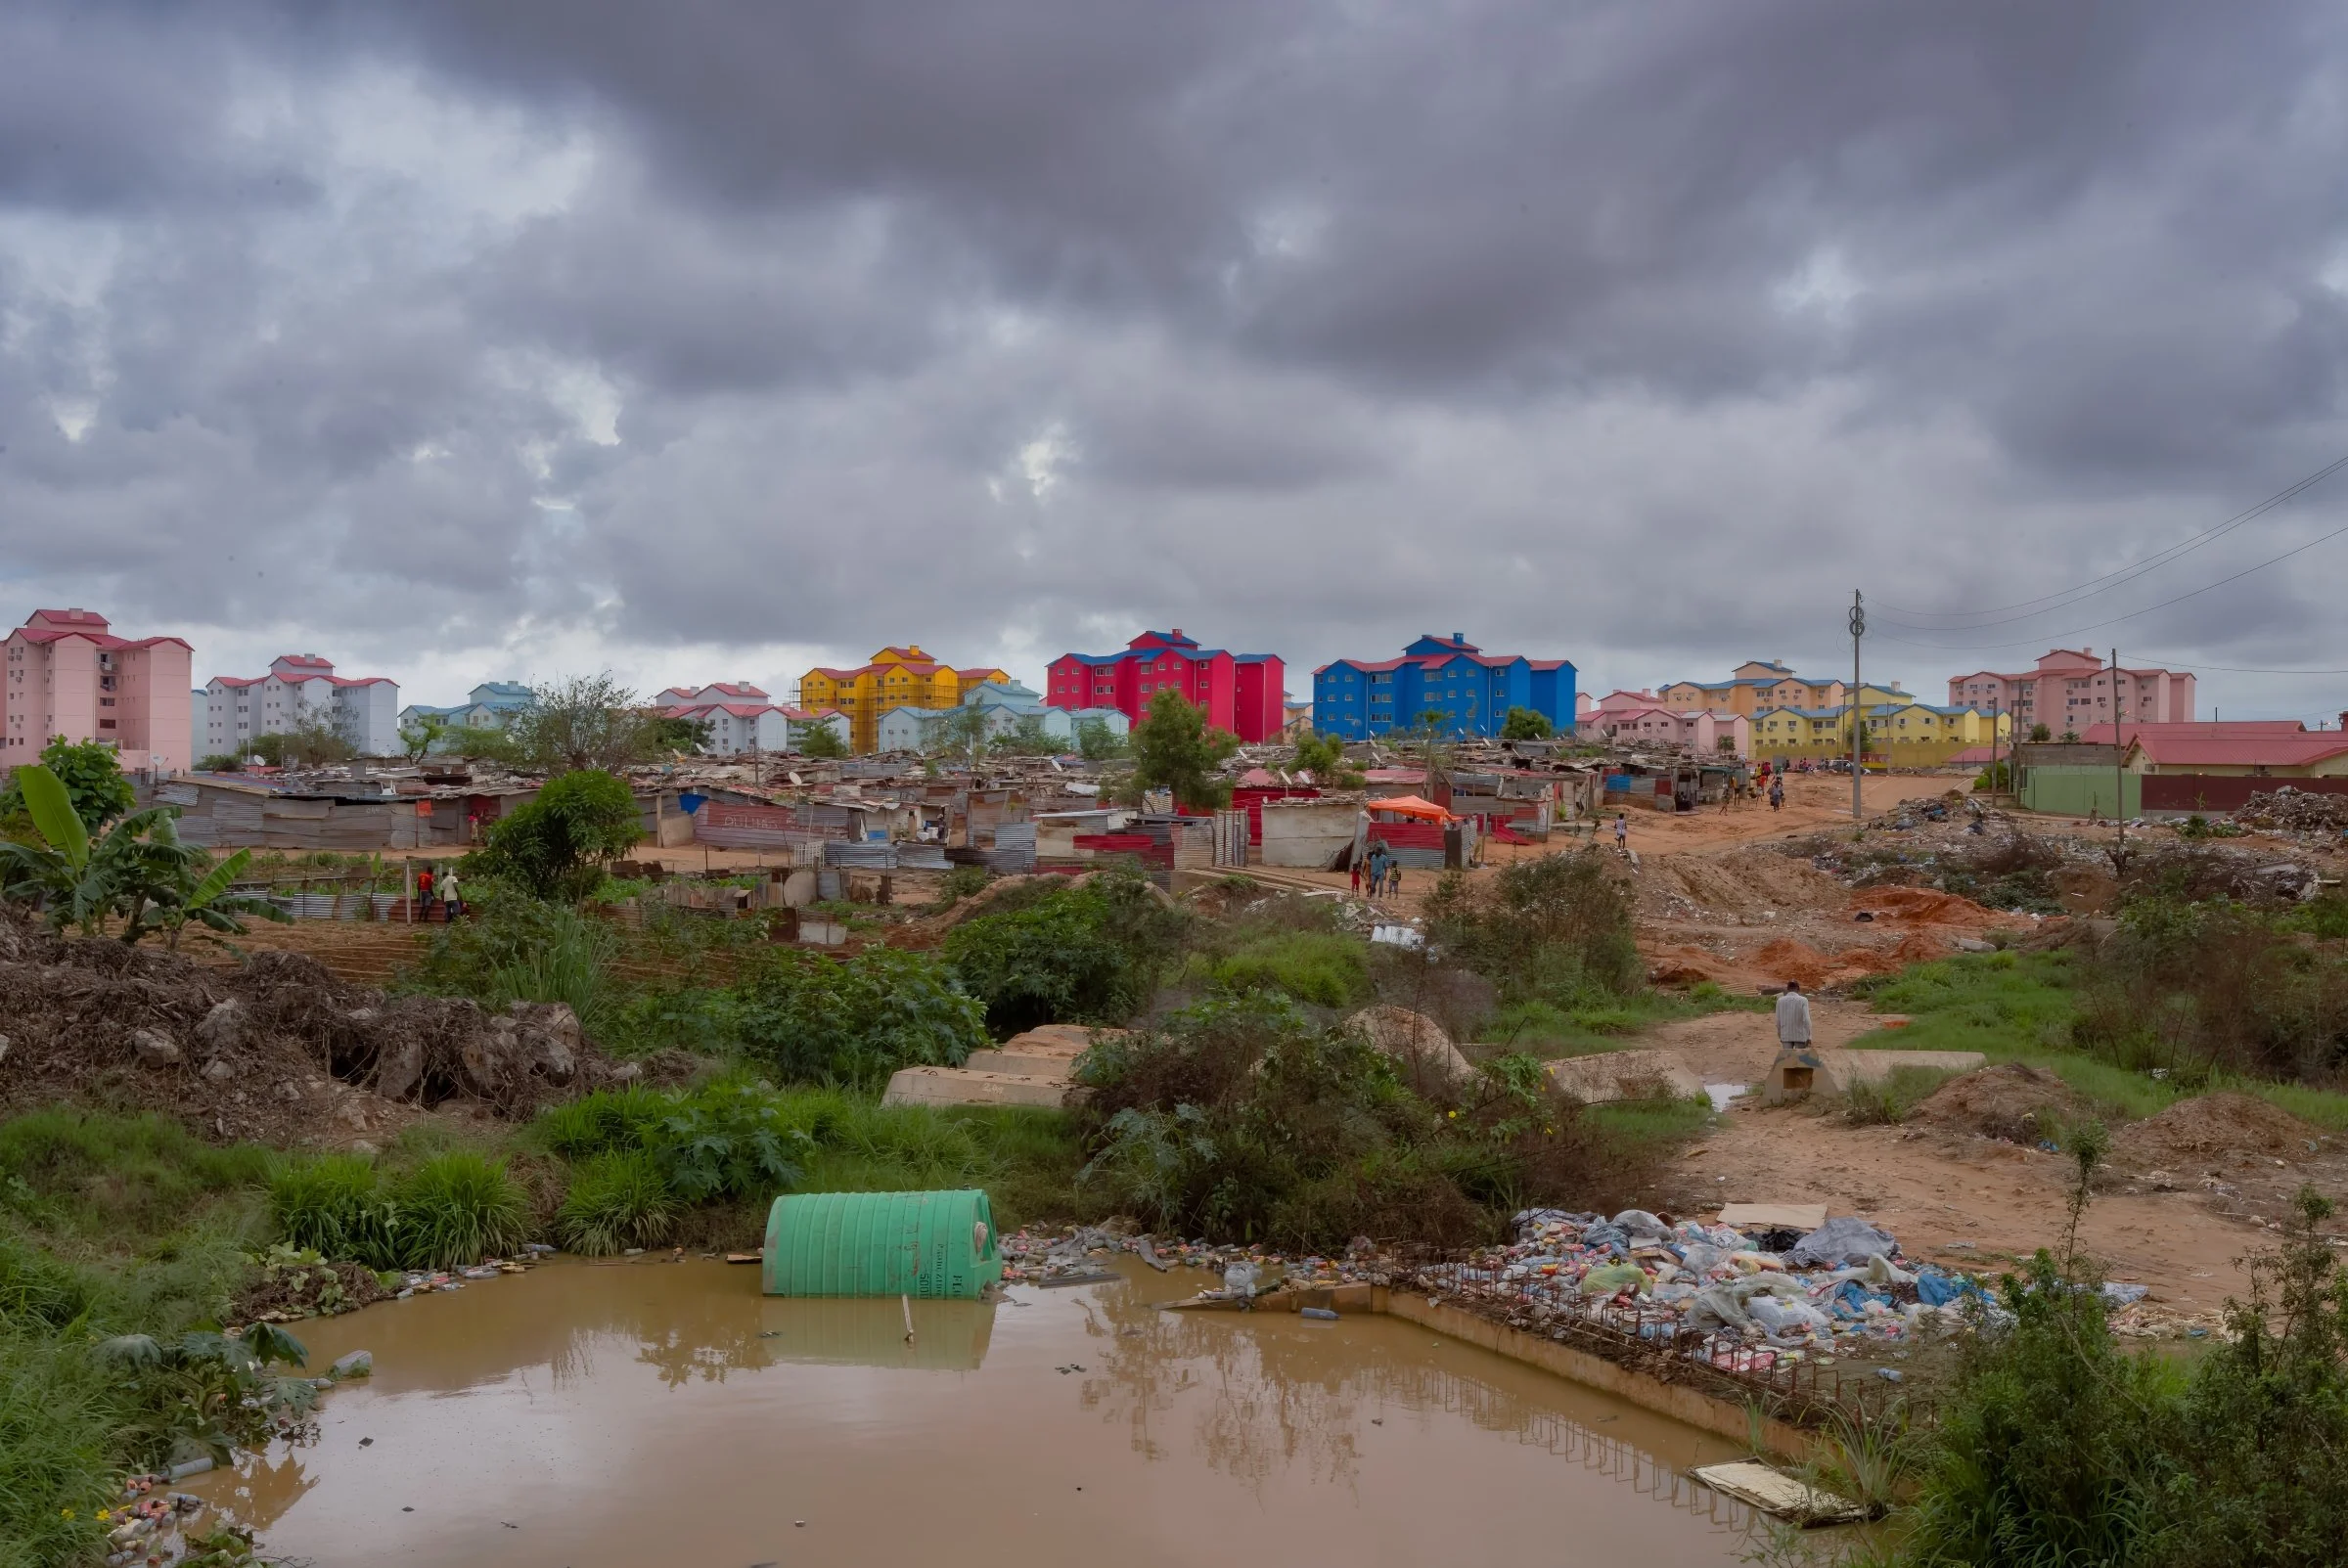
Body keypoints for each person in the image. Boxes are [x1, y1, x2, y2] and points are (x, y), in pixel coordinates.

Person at [1774, 978, 1812, 1050]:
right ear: (1798, 989)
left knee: (1788, 1059)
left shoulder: (1780, 1000)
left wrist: (1780, 1034)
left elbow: (1778, 1021)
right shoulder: (1803, 1000)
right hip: (1800, 1036)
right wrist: (1809, 1036)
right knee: (1800, 1059)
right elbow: (1807, 1019)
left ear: (1787, 989)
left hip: (1786, 1035)